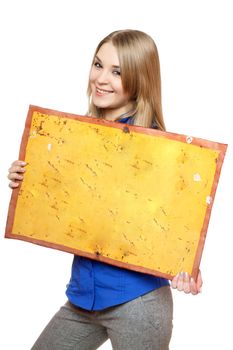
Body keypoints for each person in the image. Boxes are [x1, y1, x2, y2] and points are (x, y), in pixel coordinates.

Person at [8, 29, 202, 350]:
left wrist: (188, 266)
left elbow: (170, 219)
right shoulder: (78, 138)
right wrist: (26, 180)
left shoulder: (156, 150)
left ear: (140, 81)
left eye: (117, 72)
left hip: (138, 303)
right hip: (83, 299)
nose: (101, 78)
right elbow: (69, 205)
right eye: (98, 65)